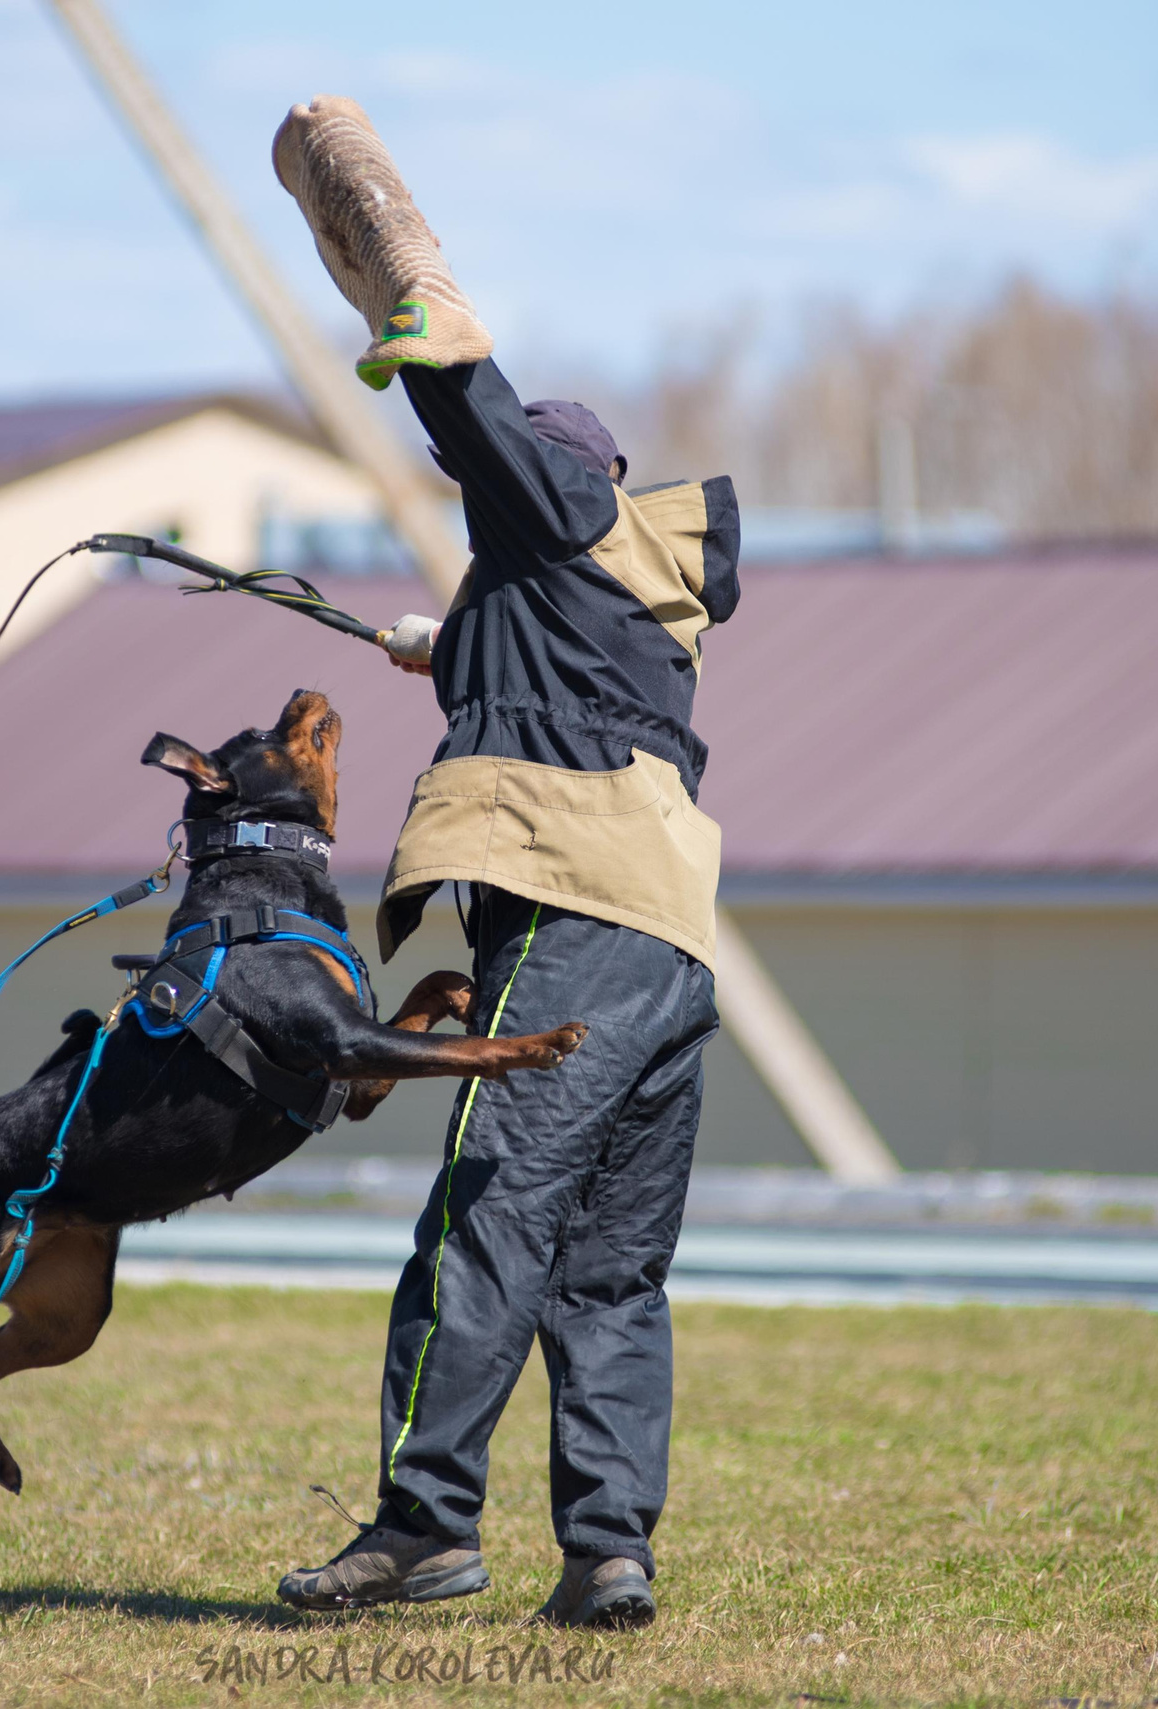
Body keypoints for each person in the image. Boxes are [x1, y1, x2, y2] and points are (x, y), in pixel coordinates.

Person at [269, 96, 739, 1631]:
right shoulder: (630, 612)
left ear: (556, 494)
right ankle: (610, 1551)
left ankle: (424, 1523)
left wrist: (400, 275)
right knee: (609, 1270)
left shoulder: (565, 509)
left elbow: (475, 408)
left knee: (487, 1208)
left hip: (578, 919)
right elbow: (515, 651)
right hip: (672, 952)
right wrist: (440, 643)